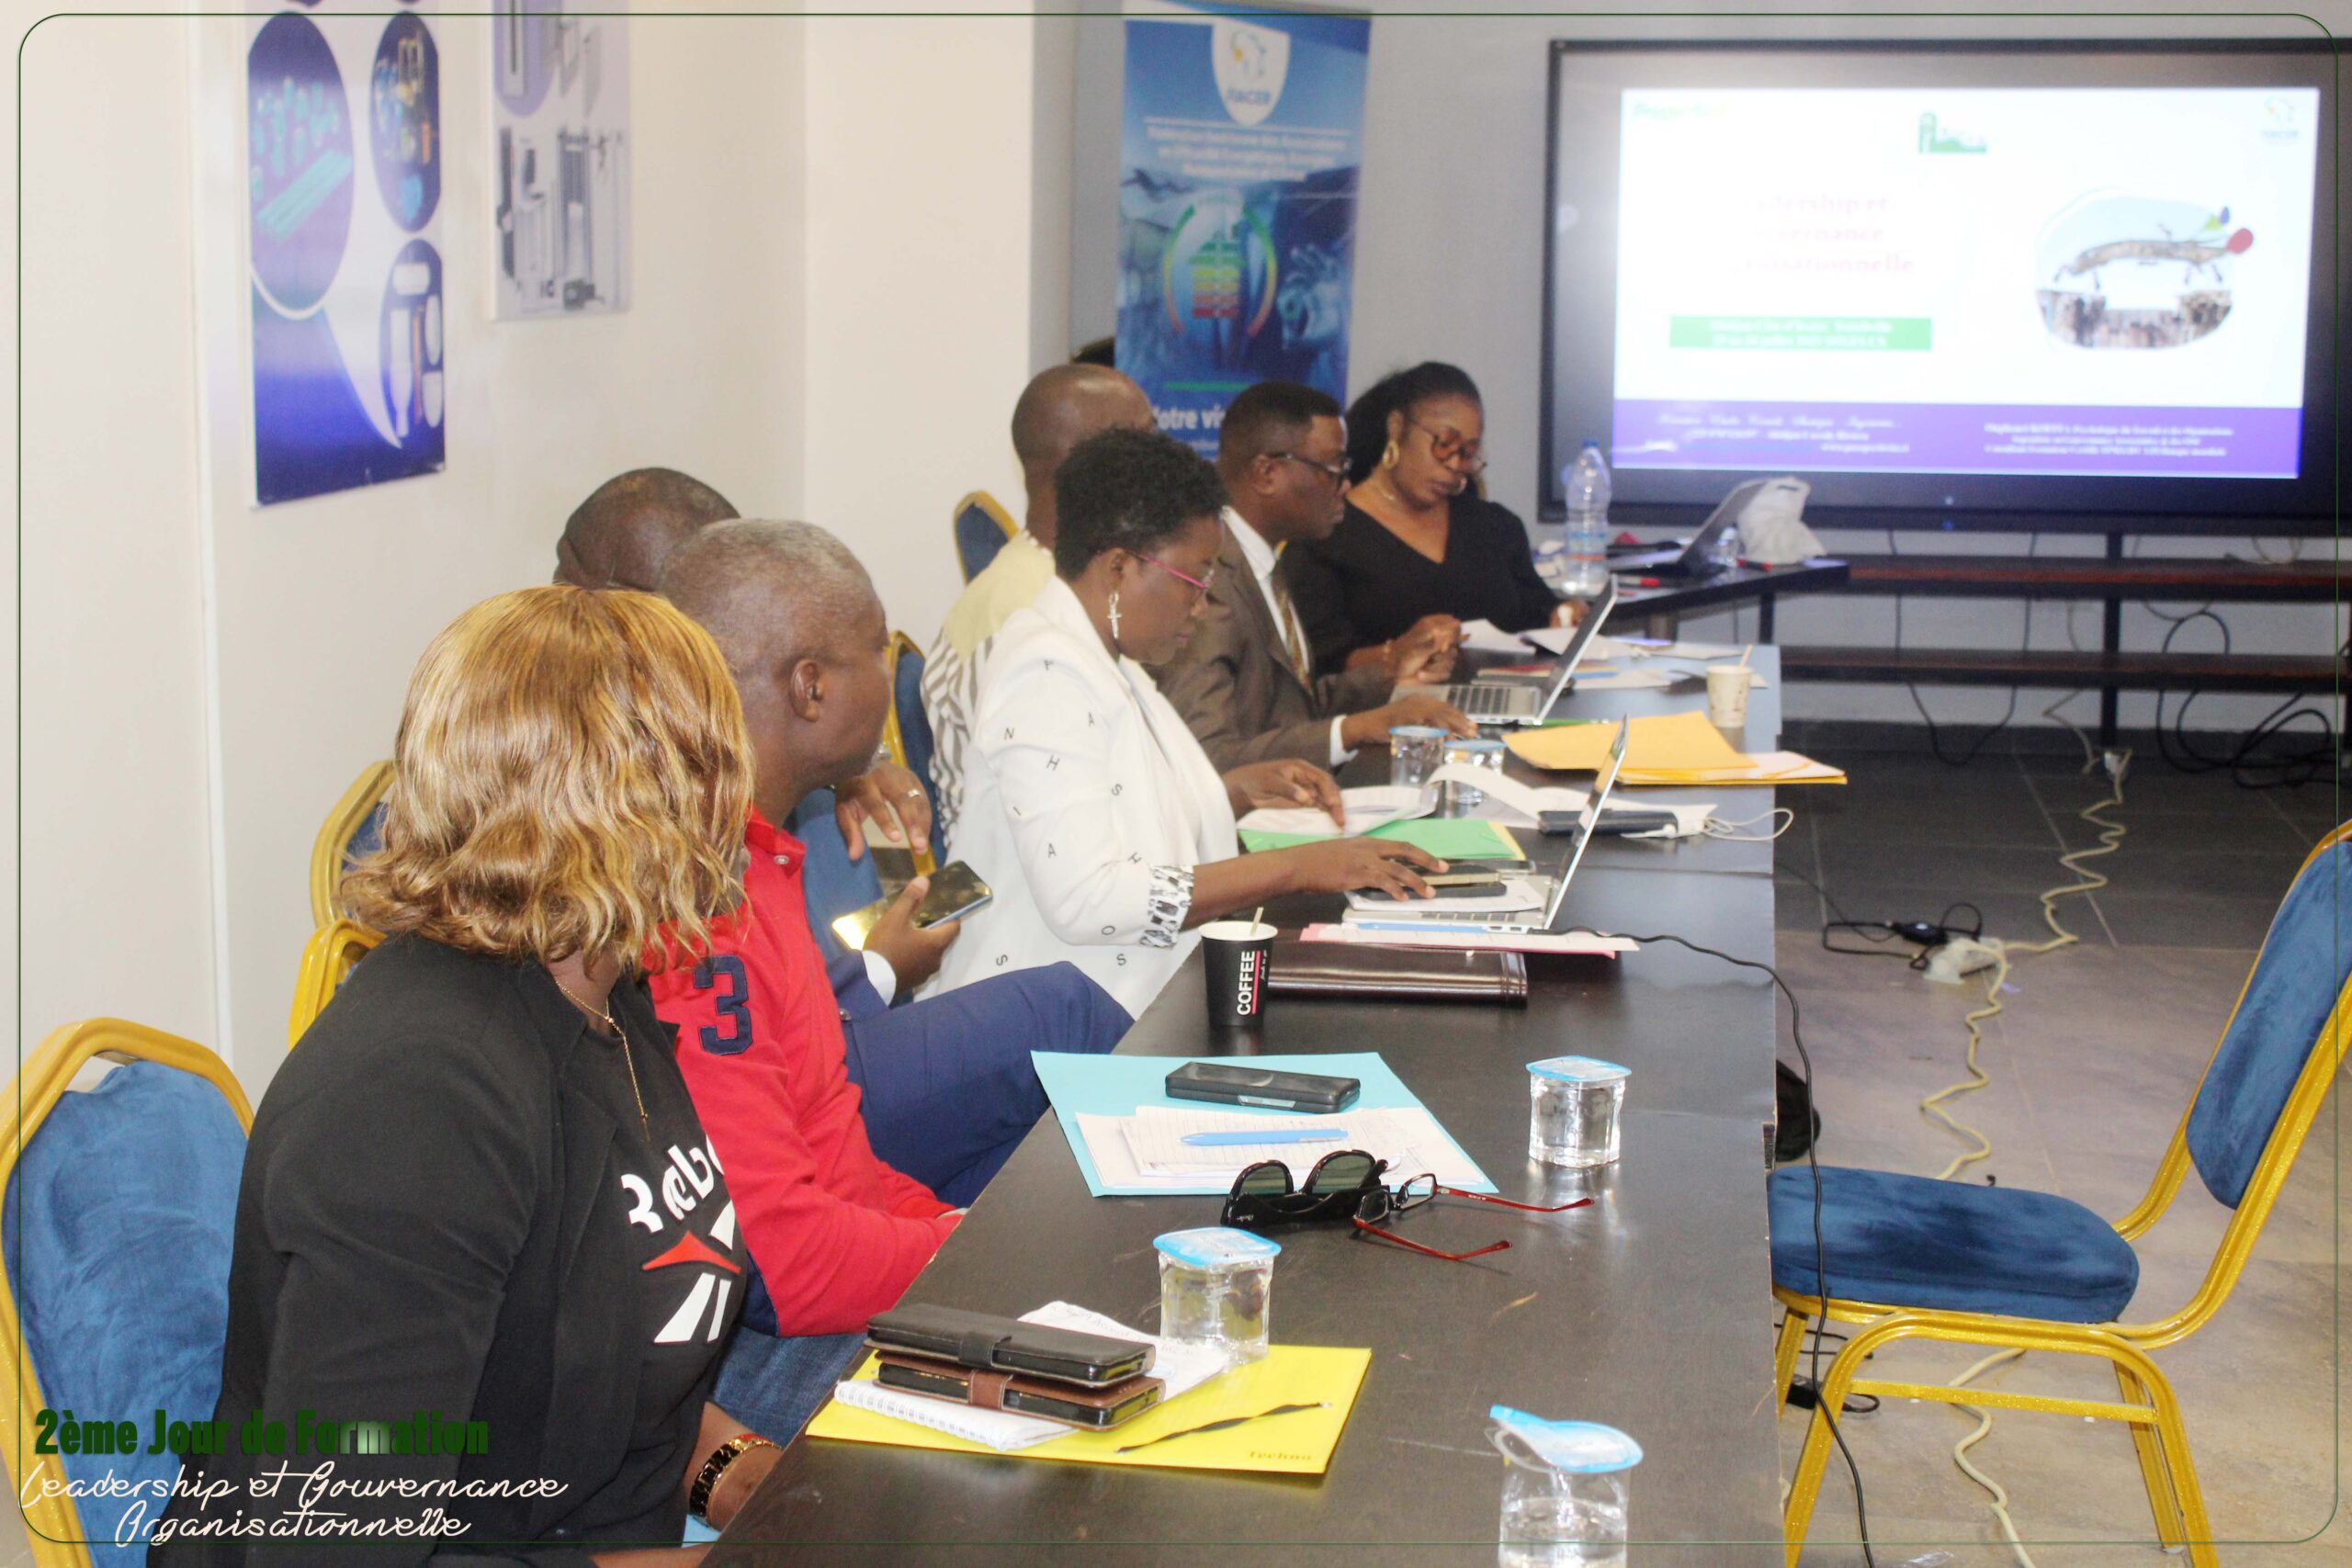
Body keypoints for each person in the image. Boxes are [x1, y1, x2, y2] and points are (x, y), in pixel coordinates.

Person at [155, 588, 778, 1563]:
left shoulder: (599, 985)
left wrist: (745, 1477)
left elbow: (600, 1349)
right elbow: (334, 1542)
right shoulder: (422, 1101)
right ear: (652, 800)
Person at [649, 520, 1130, 1440]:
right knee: (1092, 1406)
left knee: (1100, 1285)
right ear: (811, 686)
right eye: (877, 649)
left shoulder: (756, 854)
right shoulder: (702, 906)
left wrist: (961, 1230)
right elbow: (788, 1267)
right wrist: (984, 1253)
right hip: (747, 1358)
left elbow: (838, 1152)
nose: (888, 669)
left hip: (806, 1284)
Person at [556, 481, 1130, 1202]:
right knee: (1057, 1010)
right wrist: (880, 969)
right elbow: (741, 1058)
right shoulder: (636, 810)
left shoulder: (762, 793)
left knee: (1025, 1161)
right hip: (764, 1113)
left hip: (820, 1063)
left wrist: (832, 766)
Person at [936, 427, 1444, 1018]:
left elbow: (1123, 813)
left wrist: (1235, 791)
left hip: (1112, 999)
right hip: (1049, 1022)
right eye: (1193, 582)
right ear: (1119, 567)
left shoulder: (1106, 659)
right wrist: (1297, 868)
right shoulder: (1046, 674)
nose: (1201, 607)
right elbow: (1089, 899)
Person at [1153, 380, 1473, 771]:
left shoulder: (1263, 561)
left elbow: (1291, 711)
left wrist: (1392, 675)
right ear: (1267, 473)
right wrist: (1354, 730)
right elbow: (1206, 757)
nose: (1345, 486)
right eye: (1332, 469)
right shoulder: (1209, 582)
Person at [923, 365, 1156, 840]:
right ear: (1086, 466)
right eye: (1145, 443)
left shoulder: (1070, 581)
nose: (1162, 464)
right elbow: (1058, 835)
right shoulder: (1025, 612)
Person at [1286, 362, 1575, 675]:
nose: (1454, 464)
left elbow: (1538, 614)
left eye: (1467, 453)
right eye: (1444, 444)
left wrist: (1564, 615)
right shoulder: (1324, 536)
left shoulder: (1495, 527)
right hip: (1391, 704)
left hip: (1508, 698)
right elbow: (1321, 665)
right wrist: (1399, 654)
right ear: (1397, 428)